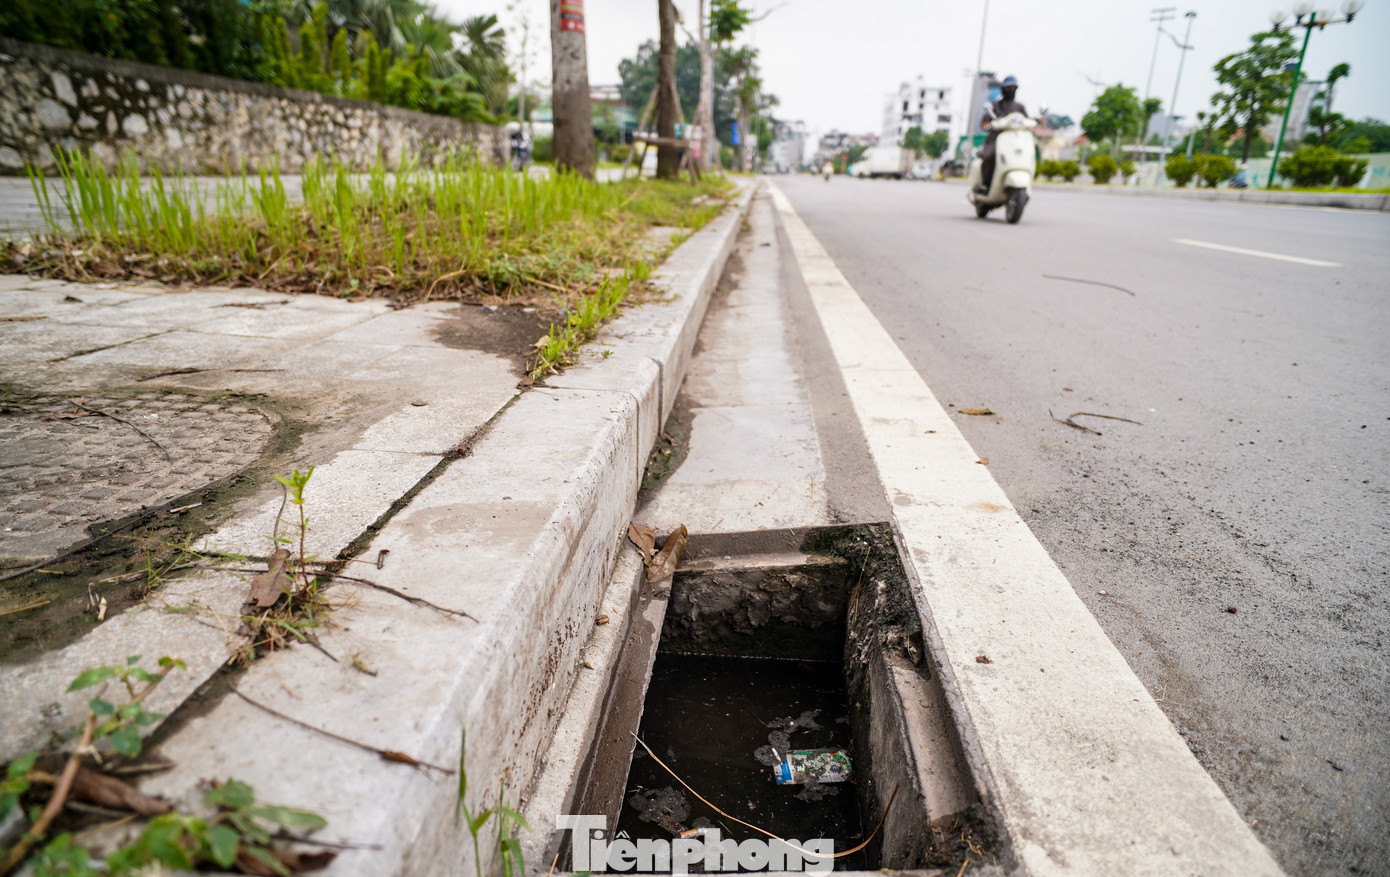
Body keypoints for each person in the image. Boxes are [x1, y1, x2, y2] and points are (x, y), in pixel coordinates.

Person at [978, 75, 1029, 194]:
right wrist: (989, 125)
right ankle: (986, 185)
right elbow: (984, 123)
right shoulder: (995, 105)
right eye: (1008, 88)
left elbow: (1027, 120)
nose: (1011, 91)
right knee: (989, 156)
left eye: (1013, 88)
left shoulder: (1019, 107)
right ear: (1003, 89)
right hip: (996, 139)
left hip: (1015, 141)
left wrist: (1037, 122)